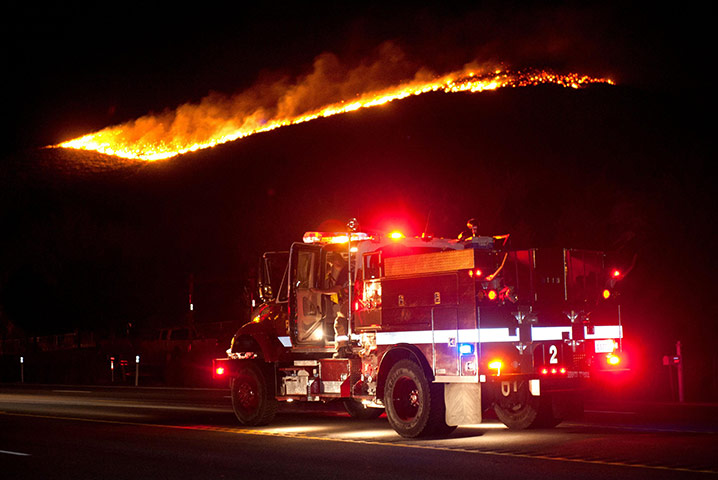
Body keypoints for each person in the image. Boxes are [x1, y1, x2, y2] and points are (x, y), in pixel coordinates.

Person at [310, 252, 352, 357]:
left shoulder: (344, 271)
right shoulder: (351, 267)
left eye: (334, 265)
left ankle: (341, 348)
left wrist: (319, 291)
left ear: (337, 262)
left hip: (351, 301)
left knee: (340, 323)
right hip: (354, 300)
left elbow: (336, 289)